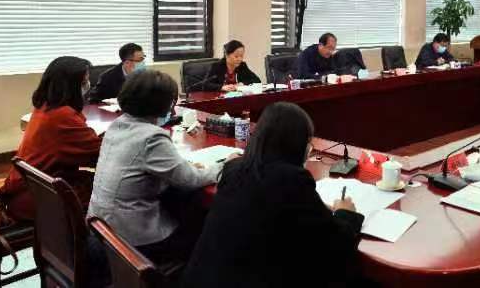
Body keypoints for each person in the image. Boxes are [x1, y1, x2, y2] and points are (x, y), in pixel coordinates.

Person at [183, 102, 365, 287]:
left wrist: (315, 206)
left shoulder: (234, 168)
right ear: (296, 144)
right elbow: (336, 246)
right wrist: (346, 213)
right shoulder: (292, 179)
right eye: (307, 142)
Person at [88, 69, 223, 263]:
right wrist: (224, 165)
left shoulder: (118, 125)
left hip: (101, 228)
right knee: (206, 228)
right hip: (131, 239)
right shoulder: (151, 136)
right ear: (161, 103)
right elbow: (191, 180)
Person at [0, 57, 101, 221]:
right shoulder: (63, 116)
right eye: (83, 83)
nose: (88, 86)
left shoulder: (45, 107)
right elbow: (100, 156)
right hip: (40, 195)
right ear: (69, 86)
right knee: (111, 191)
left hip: (31, 187)